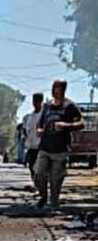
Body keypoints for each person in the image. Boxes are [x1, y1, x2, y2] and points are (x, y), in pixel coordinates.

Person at [34, 79, 84, 209]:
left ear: (63, 89)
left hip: (60, 148)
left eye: (58, 87)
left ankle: (54, 204)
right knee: (39, 173)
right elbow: (39, 124)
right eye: (53, 87)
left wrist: (66, 126)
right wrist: (39, 130)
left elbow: (81, 123)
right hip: (45, 147)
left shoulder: (69, 106)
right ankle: (43, 196)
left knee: (55, 179)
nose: (55, 90)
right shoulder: (47, 106)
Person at [22, 92, 44, 182]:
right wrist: (24, 136)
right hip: (31, 147)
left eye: (37, 101)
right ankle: (36, 184)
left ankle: (41, 185)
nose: (35, 103)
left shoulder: (44, 116)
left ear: (41, 101)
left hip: (41, 147)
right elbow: (24, 129)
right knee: (31, 167)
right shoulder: (28, 117)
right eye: (34, 101)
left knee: (40, 169)